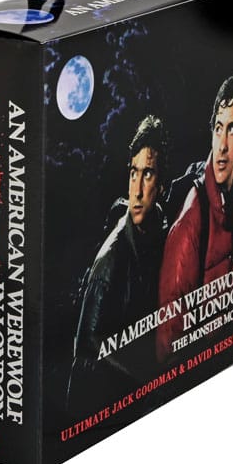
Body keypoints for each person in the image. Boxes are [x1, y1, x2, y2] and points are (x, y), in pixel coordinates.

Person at [66, 115, 170, 410]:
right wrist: (147, 380)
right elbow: (86, 349)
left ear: (162, 185)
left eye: (147, 174)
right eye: (133, 173)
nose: (137, 189)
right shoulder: (110, 261)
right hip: (97, 399)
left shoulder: (161, 232)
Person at [156, 75, 233, 362]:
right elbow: (168, 343)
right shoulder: (192, 218)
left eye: (232, 129)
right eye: (218, 128)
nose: (222, 144)